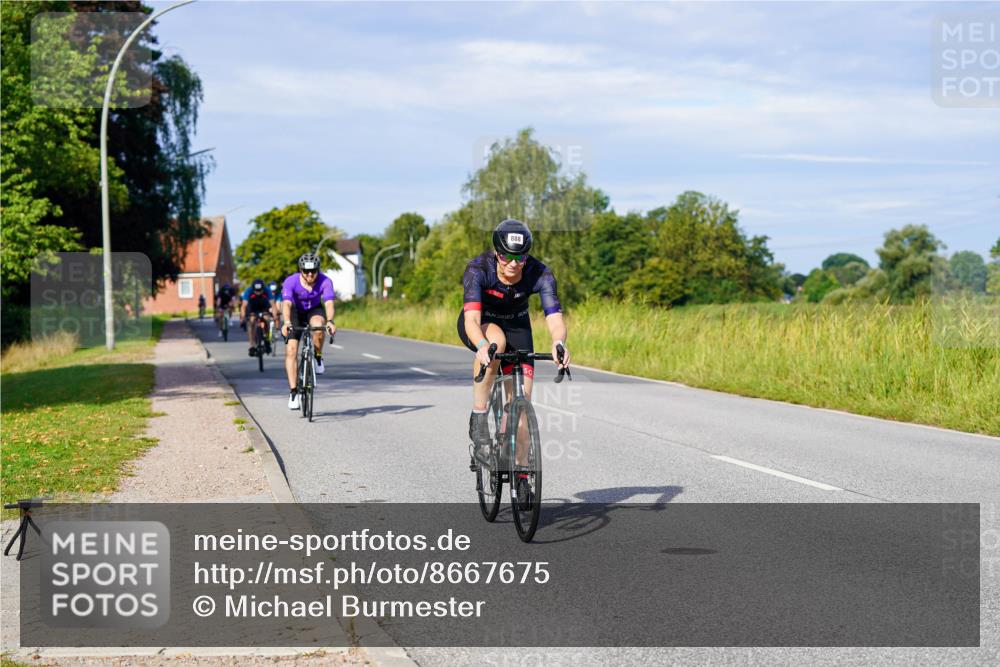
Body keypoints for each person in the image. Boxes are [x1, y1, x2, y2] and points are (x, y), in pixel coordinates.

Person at [458, 219, 571, 462]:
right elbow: (472, 321)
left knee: (521, 403)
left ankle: (520, 472)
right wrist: (481, 346)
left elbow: (554, 318)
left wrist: (558, 342)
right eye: (505, 256)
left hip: (517, 325)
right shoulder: (478, 269)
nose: (512, 263)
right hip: (482, 323)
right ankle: (479, 418)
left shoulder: (540, 273)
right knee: (495, 342)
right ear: (496, 252)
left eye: (520, 258)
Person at [280, 253, 336, 409]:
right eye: (306, 271)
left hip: (314, 310)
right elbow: (286, 305)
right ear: (301, 270)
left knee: (319, 326)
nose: (310, 275)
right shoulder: (290, 281)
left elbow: (329, 303)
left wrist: (330, 321)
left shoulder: (325, 281)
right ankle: (293, 392)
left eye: (313, 271)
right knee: (291, 350)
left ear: (318, 270)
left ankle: (318, 357)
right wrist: (287, 323)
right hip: (295, 312)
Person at [241, 278, 278, 356]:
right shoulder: (248, 291)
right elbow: (243, 306)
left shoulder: (267, 290)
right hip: (253, 307)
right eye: (256, 291)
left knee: (267, 319)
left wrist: (275, 316)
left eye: (260, 291)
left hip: (264, 306)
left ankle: (267, 338)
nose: (258, 293)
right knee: (251, 322)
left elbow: (273, 305)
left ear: (263, 288)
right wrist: (242, 318)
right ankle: (251, 345)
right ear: (253, 288)